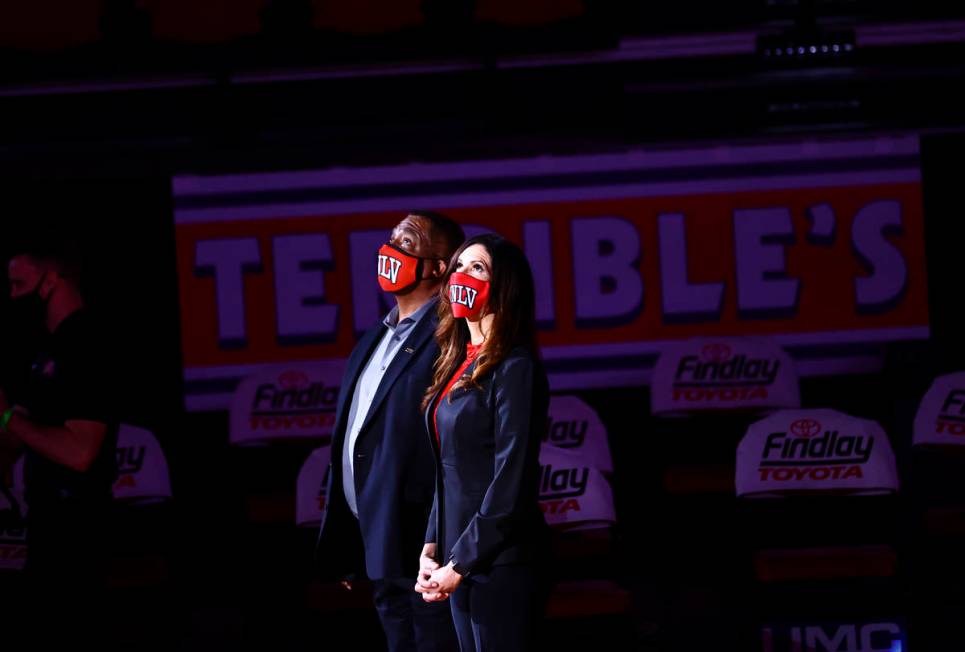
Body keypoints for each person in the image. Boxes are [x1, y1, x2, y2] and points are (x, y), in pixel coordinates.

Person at [316, 211, 463, 651]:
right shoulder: (374, 338)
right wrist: (346, 540)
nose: (392, 250)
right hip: (379, 540)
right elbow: (355, 440)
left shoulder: (452, 336)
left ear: (438, 266)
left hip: (426, 544)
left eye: (408, 241)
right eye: (392, 239)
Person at [415, 233, 551, 652]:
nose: (461, 275)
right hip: (461, 559)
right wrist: (431, 547)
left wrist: (460, 563)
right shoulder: (458, 363)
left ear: (505, 286)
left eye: (477, 268)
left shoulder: (515, 366)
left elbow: (511, 479)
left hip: (501, 561)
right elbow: (447, 467)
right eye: (458, 266)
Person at [0, 239, 118, 646]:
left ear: (51, 280)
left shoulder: (88, 345)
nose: (12, 296)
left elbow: (80, 452)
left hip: (79, 534)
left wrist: (6, 416)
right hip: (46, 526)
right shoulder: (46, 351)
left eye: (18, 284)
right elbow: (21, 434)